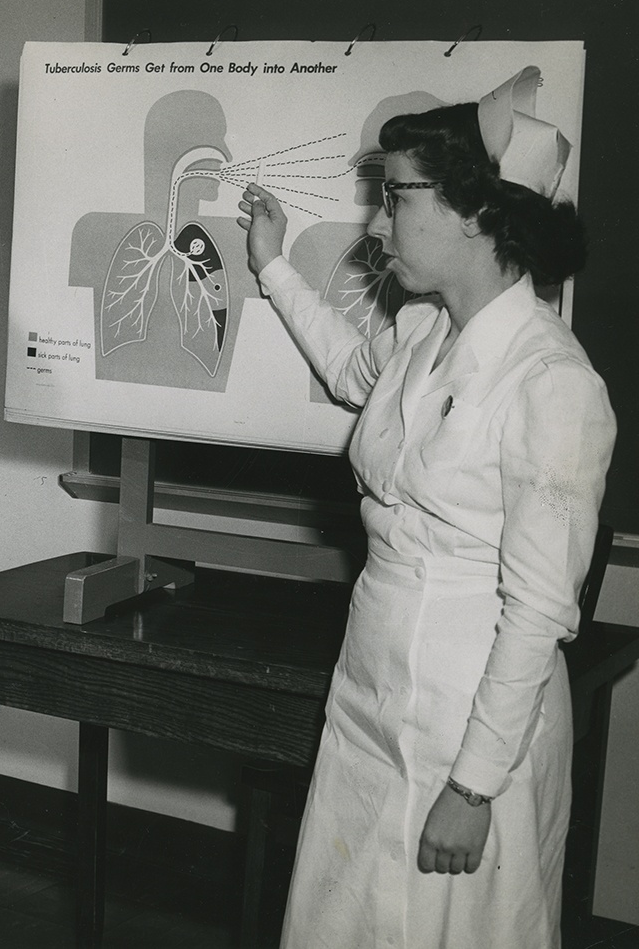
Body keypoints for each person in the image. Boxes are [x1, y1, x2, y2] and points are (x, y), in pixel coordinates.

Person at [237, 66, 616, 948]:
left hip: (475, 727)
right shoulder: (420, 332)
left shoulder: (553, 383)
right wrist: (270, 263)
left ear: (477, 213)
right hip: (370, 691)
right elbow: (345, 370)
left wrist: (474, 786)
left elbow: (538, 613)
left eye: (396, 199)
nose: (376, 225)